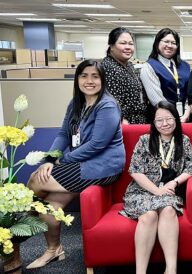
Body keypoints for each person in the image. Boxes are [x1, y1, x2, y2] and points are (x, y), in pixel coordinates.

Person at [26, 59, 125, 269]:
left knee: (36, 180)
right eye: (84, 76)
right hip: (81, 162)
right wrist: (50, 159)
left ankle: (20, 226)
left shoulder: (107, 105)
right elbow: (63, 134)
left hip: (102, 166)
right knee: (50, 207)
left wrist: (62, 161)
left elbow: (98, 144)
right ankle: (54, 250)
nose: (89, 81)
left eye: (95, 76)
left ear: (102, 80)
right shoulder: (75, 103)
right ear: (77, 79)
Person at [119, 101, 192, 274]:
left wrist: (175, 182)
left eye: (169, 119)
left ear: (176, 119)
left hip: (169, 191)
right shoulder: (145, 140)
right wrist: (156, 191)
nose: (165, 124)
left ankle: (171, 269)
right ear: (153, 123)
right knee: (148, 216)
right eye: (160, 120)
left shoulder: (183, 140)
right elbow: (135, 170)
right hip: (142, 191)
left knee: (169, 210)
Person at [141, 28, 191, 123]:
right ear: (157, 43)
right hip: (163, 120)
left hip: (186, 117)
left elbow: (191, 93)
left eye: (173, 43)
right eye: (166, 41)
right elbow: (157, 100)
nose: (170, 45)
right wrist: (172, 118)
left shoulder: (185, 66)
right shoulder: (149, 67)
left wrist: (186, 114)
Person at [102, 27, 148, 124]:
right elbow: (112, 101)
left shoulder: (129, 65)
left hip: (137, 120)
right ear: (111, 45)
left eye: (131, 44)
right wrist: (122, 120)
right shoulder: (109, 67)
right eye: (123, 43)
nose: (128, 47)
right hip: (123, 122)